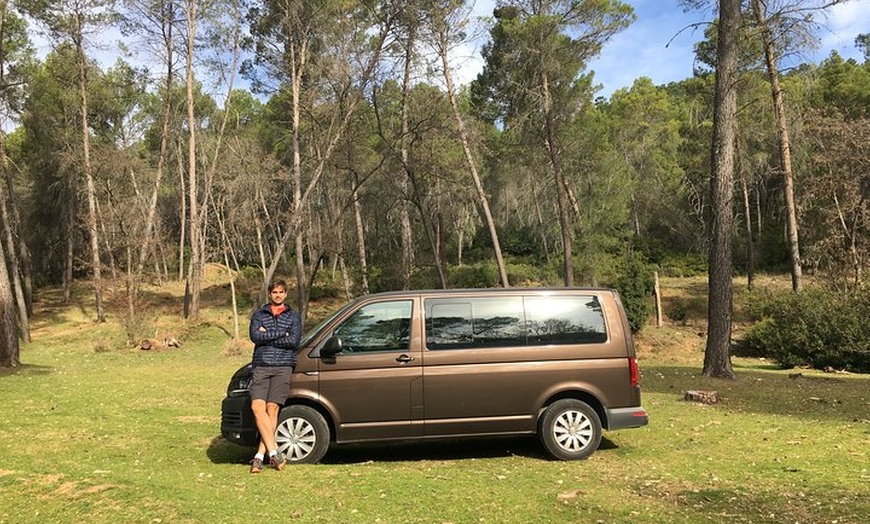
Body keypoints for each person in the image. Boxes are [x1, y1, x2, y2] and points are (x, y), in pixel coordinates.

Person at [247, 279, 302, 473]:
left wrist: (268, 333)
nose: (277, 295)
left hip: (283, 366)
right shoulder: (259, 314)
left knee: (272, 410)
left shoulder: (294, 316)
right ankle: (274, 452)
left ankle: (258, 457)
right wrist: (282, 333)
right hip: (262, 365)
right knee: (256, 407)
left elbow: (294, 341)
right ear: (269, 294)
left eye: (281, 292)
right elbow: (255, 336)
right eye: (274, 292)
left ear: (286, 294)